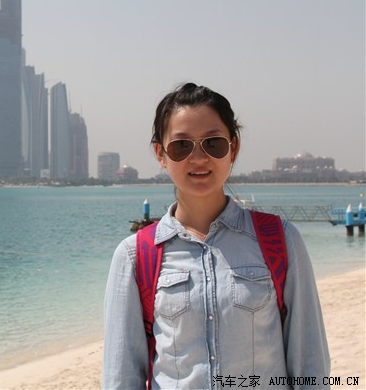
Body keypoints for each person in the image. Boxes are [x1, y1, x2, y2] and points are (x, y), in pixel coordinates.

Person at [102, 83, 330, 389]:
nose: (199, 158)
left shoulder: (280, 240)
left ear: (233, 148)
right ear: (161, 153)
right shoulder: (135, 256)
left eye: (213, 143)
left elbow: (310, 364)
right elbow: (121, 377)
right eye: (181, 146)